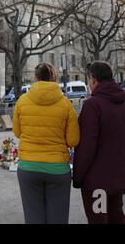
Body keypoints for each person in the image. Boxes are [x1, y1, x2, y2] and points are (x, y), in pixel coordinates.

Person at [12, 63, 80, 224]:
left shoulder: (22, 101)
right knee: (58, 217)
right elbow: (73, 140)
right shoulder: (65, 104)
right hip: (57, 168)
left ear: (35, 78)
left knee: (33, 216)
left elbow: (17, 132)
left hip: (28, 167)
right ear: (54, 77)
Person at [73, 62, 125, 224]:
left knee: (98, 218)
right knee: (117, 215)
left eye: (88, 79)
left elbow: (87, 145)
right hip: (117, 174)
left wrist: (78, 175)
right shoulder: (124, 103)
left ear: (94, 79)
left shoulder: (93, 105)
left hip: (97, 180)